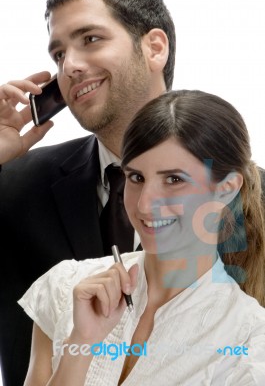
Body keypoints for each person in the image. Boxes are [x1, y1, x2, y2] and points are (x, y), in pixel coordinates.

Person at [19, 90, 265, 385]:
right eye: (136, 178)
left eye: (174, 179)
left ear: (226, 189)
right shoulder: (67, 288)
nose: (145, 204)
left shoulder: (249, 343)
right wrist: (81, 343)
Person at [0, 0, 176, 385]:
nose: (70, 66)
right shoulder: (12, 186)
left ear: (154, 48)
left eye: (90, 39)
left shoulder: (247, 196)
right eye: (59, 55)